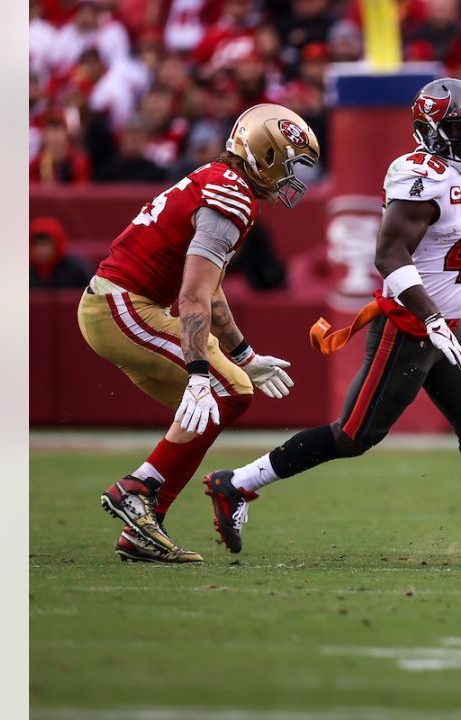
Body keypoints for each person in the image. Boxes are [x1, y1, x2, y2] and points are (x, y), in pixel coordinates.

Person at [204, 79, 461, 557]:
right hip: (408, 327)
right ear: (433, 131)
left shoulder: (452, 177)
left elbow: (447, 239)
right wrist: (432, 320)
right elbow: (390, 255)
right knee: (354, 435)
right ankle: (235, 483)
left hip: (445, 328)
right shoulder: (422, 176)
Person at [81, 103, 318, 563]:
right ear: (264, 156)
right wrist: (196, 375)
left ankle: (143, 526)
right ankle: (138, 489)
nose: (292, 178)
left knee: (230, 394)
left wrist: (245, 354)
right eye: (288, 163)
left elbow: (208, 294)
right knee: (222, 390)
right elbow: (192, 298)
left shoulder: (220, 181)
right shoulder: (231, 197)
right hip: (121, 306)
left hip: (124, 304)